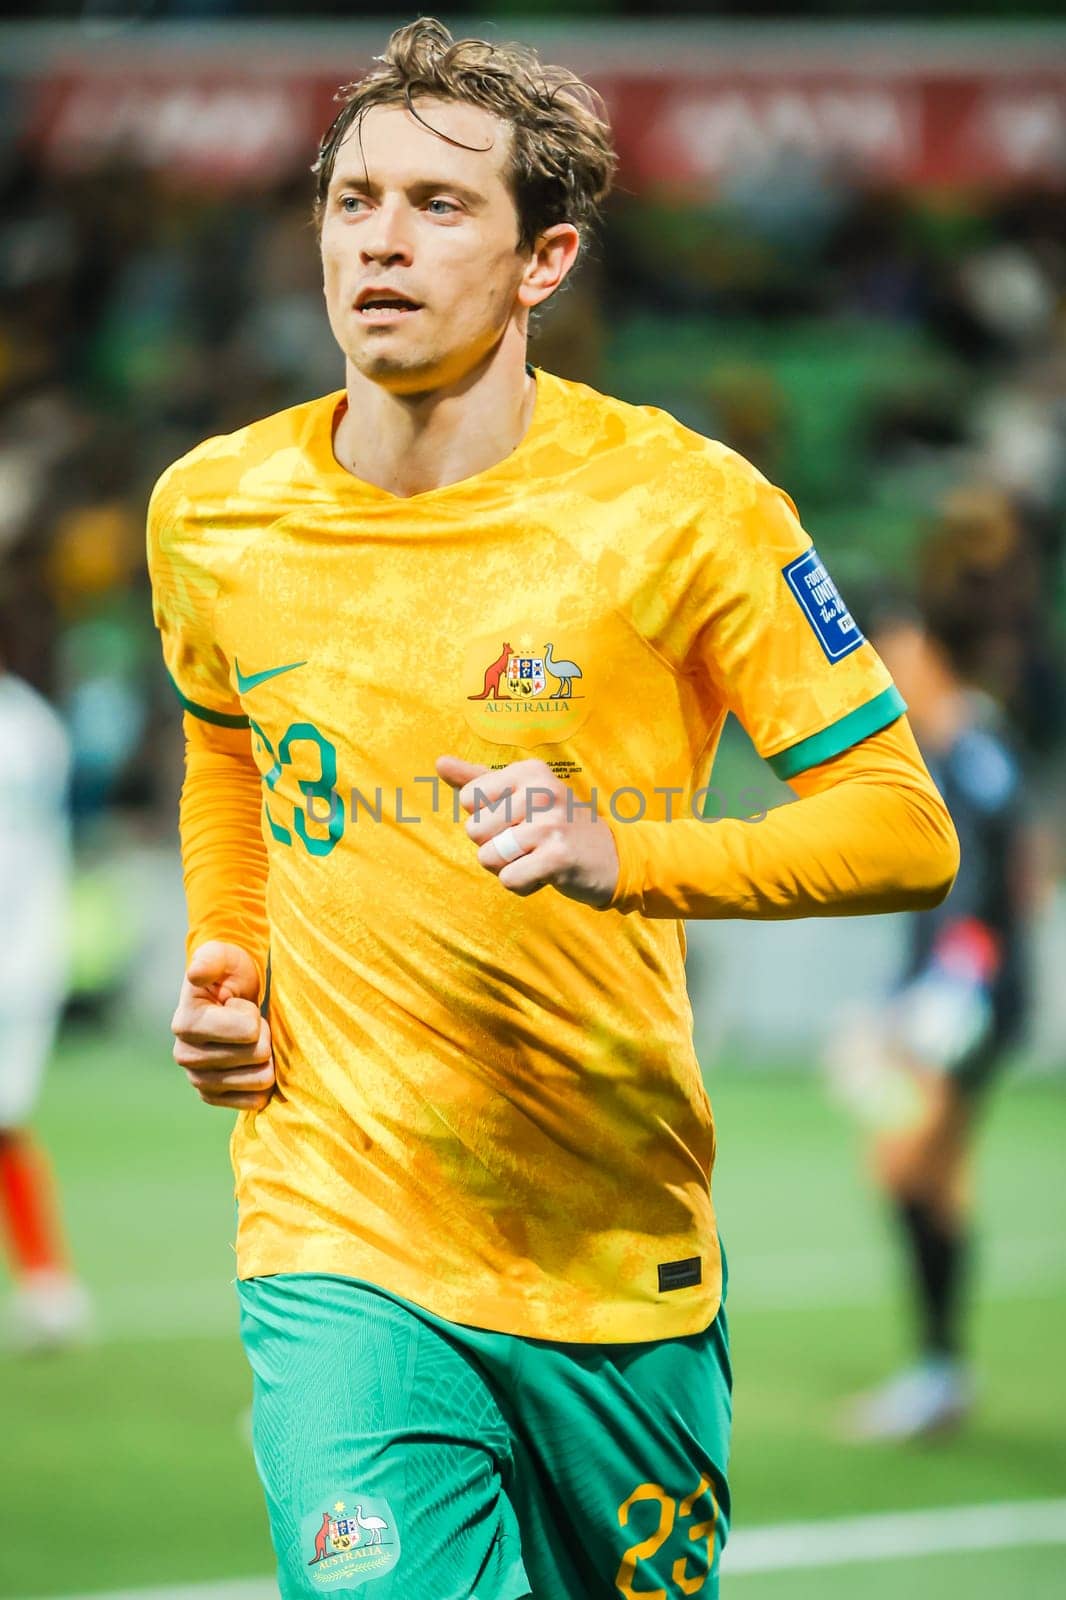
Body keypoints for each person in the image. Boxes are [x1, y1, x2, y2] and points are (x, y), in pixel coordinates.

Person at [148, 20, 958, 1597]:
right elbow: (226, 748)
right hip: (336, 1231)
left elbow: (900, 826)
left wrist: (620, 854)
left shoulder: (683, 508)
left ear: (545, 258)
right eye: (352, 198)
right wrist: (229, 954)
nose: (380, 239)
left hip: (611, 1247)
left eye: (440, 207)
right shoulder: (213, 510)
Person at [833, 595, 1031, 1442]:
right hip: (951, 997)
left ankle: (939, 1370)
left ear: (937, 660)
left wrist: (936, 1008)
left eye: (901, 657)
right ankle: (943, 1369)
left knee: (903, 1165)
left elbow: (989, 895)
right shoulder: (945, 753)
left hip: (969, 1004)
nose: (891, 674)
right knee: (930, 1178)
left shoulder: (975, 754)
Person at [0, 653, 91, 1350]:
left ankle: (50, 1282)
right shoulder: (34, 721)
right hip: (32, 949)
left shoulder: (23, 727)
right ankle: (49, 1283)